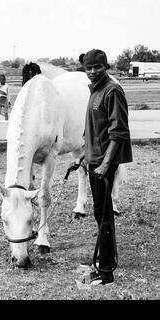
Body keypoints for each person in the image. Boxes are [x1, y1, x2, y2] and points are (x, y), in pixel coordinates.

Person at [73, 49, 132, 285]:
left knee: (104, 214)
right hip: (95, 159)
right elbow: (94, 129)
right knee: (100, 212)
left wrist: (106, 163)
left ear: (105, 67)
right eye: (88, 68)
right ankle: (101, 258)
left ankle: (106, 271)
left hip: (104, 163)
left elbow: (118, 132)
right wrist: (84, 156)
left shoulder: (112, 90)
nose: (93, 71)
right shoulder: (95, 90)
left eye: (97, 67)